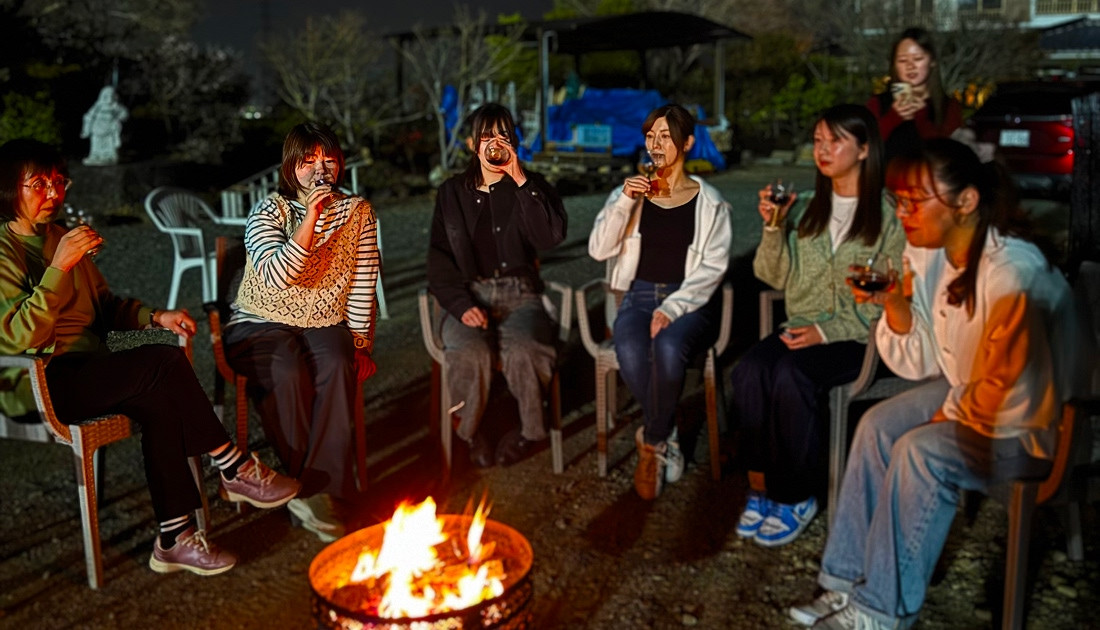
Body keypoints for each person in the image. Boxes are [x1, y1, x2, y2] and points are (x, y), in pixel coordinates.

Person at [789, 138, 1087, 630]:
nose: (902, 214)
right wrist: (895, 304)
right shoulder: (929, 253)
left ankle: (881, 611)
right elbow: (925, 359)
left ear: (966, 201)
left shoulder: (1013, 272)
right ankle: (845, 581)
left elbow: (1015, 390)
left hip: (1038, 423)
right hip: (975, 394)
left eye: (914, 202)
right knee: (879, 425)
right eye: (899, 201)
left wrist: (948, 415)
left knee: (920, 451)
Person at [0, 138, 301, 576]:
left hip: (88, 372)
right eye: (38, 184)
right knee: (162, 364)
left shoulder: (62, 238)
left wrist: (155, 315)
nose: (53, 193)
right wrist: (59, 268)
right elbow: (19, 337)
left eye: (59, 181)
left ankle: (174, 538)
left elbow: (104, 307)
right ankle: (233, 465)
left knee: (161, 400)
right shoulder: (6, 252)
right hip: (36, 379)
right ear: (10, 188)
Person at [729, 104, 905, 546]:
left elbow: (892, 295)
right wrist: (773, 227)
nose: (823, 151)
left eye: (836, 141)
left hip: (861, 334)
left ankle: (796, 494)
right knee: (749, 370)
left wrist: (828, 332)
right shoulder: (806, 208)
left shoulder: (888, 216)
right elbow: (773, 277)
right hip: (803, 324)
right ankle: (760, 486)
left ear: (864, 150)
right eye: (818, 141)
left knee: (792, 374)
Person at [223, 121, 379, 542]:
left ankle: (314, 491)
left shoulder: (358, 212)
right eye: (308, 161)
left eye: (328, 159)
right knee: (287, 369)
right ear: (291, 167)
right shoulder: (268, 209)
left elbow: (364, 281)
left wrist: (361, 342)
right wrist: (310, 216)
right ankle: (310, 490)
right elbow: (277, 277)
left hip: (323, 321)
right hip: (259, 321)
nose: (319, 170)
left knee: (337, 360)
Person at [589, 104, 732, 500]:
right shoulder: (629, 192)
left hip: (690, 301)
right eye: (650, 136)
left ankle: (650, 442)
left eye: (665, 136)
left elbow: (713, 268)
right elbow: (599, 250)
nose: (656, 144)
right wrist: (623, 203)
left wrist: (672, 309)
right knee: (632, 347)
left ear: (687, 143)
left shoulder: (711, 203)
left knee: (668, 346)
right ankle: (664, 430)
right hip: (637, 296)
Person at [427, 102, 567, 469]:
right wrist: (459, 304)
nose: (494, 143)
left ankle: (530, 432)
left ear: (515, 142)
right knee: (470, 353)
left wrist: (521, 181)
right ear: (473, 143)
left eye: (503, 135)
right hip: (470, 293)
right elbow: (439, 259)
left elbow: (551, 237)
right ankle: (471, 433)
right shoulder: (452, 193)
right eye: (487, 136)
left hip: (521, 297)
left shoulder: (531, 186)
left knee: (526, 349)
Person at [866, 27, 963, 167]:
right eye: (902, 60)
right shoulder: (877, 103)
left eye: (918, 59)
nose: (910, 66)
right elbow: (863, 148)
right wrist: (893, 117)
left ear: (932, 61)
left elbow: (950, 155)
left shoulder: (948, 106)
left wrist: (921, 118)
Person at [80, 85, 129, 166]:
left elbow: (124, 114)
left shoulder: (115, 106)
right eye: (106, 96)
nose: (108, 99)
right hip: (96, 128)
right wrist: (86, 128)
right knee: (96, 143)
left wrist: (118, 115)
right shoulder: (97, 106)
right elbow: (89, 116)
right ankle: (95, 156)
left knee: (109, 144)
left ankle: (109, 156)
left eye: (111, 96)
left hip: (109, 129)